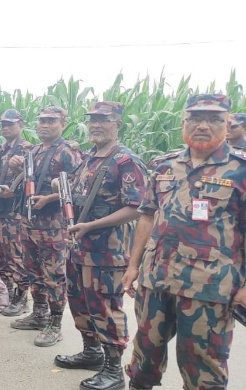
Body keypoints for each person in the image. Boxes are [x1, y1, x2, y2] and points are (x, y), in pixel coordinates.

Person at [122, 94, 246, 390]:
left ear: (227, 124)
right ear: (183, 123)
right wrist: (133, 266)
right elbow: (147, 217)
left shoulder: (240, 170)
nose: (203, 125)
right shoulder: (164, 165)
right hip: (156, 280)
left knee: (203, 368)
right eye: (195, 118)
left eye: (214, 119)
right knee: (144, 359)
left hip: (209, 287)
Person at [53, 102, 148, 390]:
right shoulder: (88, 157)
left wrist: (92, 226)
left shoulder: (125, 161)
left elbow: (138, 208)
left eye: (103, 120)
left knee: (106, 307)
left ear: (117, 124)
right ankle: (92, 352)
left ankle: (113, 371)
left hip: (107, 251)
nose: (96, 125)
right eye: (92, 120)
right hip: (78, 248)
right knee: (80, 303)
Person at [9, 106, 83, 348]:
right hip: (30, 221)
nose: (44, 125)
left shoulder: (67, 151)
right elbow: (32, 180)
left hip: (53, 223)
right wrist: (18, 168)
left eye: (51, 121)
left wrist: (49, 199)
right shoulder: (37, 151)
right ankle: (39, 313)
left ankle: (55, 323)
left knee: (54, 275)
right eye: (41, 120)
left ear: (62, 123)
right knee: (33, 270)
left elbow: (78, 185)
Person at [0, 109, 33, 316]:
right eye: (3, 124)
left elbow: (30, 181)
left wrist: (12, 190)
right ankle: (7, 291)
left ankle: (21, 296)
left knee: (16, 256)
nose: (6, 127)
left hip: (14, 212)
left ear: (21, 125)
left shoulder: (26, 149)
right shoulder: (0, 150)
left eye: (11, 124)